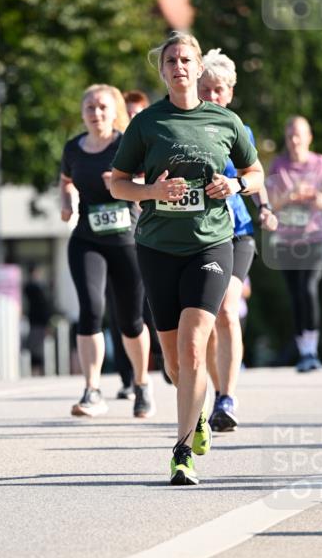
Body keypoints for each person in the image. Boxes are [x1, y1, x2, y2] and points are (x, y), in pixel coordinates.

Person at [110, 32, 264, 485]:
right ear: (163, 71)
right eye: (171, 60)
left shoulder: (226, 121)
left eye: (186, 60)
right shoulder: (147, 124)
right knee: (174, 361)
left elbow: (255, 172)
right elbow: (118, 182)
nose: (179, 66)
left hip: (211, 244)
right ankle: (194, 414)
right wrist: (152, 191)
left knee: (195, 345)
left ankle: (181, 454)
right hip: (157, 247)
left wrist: (235, 185)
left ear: (199, 68)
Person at [60, 83, 154, 418]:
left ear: (114, 111)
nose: (96, 114)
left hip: (126, 240)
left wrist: (120, 185)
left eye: (102, 107)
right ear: (82, 113)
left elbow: (147, 188)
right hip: (87, 239)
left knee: (130, 321)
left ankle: (142, 384)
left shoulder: (127, 145)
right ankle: (92, 390)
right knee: (91, 309)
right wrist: (67, 202)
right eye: (90, 108)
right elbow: (66, 180)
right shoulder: (73, 148)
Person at [196, 48, 277, 431]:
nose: (213, 97)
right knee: (208, 319)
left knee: (227, 308)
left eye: (219, 90)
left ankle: (227, 397)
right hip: (198, 235)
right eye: (206, 89)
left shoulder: (238, 129)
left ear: (230, 92)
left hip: (238, 233)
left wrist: (263, 206)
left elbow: (254, 172)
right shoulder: (186, 129)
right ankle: (215, 394)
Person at [267, 117, 322, 371]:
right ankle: (304, 350)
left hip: (315, 237)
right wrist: (289, 196)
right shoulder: (279, 165)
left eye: (298, 135)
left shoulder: (321, 163)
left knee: (308, 287)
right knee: (295, 294)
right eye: (289, 137)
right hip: (287, 240)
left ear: (309, 137)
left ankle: (312, 349)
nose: (294, 141)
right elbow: (269, 202)